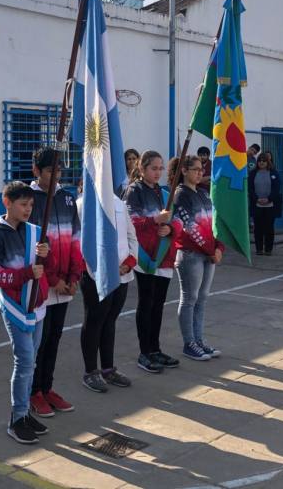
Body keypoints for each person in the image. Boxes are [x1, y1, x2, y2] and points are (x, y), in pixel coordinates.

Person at [0, 181, 55, 444]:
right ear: (7, 203)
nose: (28, 209)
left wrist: (46, 254)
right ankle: (17, 418)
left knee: (31, 361)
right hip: (15, 307)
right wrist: (25, 274)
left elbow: (48, 267)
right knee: (24, 361)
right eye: (23, 204)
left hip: (36, 306)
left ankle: (24, 413)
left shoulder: (35, 232)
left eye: (31, 205)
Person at [28, 147, 83, 417]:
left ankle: (47, 387)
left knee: (55, 338)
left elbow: (75, 240)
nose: (56, 175)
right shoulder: (29, 200)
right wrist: (52, 280)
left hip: (65, 284)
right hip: (42, 286)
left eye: (59, 170)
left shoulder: (67, 198)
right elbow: (31, 246)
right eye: (50, 170)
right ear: (36, 170)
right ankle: (33, 391)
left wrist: (74, 276)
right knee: (40, 340)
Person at [124, 150, 182, 373]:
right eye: (153, 168)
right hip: (145, 255)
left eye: (160, 168)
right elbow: (131, 221)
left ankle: (155, 349)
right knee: (146, 303)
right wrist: (155, 220)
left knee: (159, 304)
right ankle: (144, 352)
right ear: (142, 168)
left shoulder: (165, 192)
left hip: (164, 254)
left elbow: (178, 220)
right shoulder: (134, 191)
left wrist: (170, 229)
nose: (158, 172)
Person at [78, 192, 138, 392]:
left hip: (122, 273)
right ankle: (90, 371)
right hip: (95, 275)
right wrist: (101, 268)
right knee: (94, 321)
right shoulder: (83, 204)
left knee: (110, 320)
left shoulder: (118, 202)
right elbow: (80, 242)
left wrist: (129, 263)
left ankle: (107, 369)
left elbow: (131, 236)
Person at [173, 155, 225, 361]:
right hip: (191, 254)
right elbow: (190, 227)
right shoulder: (180, 195)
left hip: (208, 254)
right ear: (184, 171)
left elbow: (215, 224)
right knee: (189, 298)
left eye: (201, 169)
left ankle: (199, 339)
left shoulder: (203, 194)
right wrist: (210, 250)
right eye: (195, 169)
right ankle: (189, 343)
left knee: (202, 298)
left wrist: (219, 247)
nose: (200, 173)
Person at [248, 153, 282, 256]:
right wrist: (257, 199)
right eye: (260, 160)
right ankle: (259, 249)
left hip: (270, 205)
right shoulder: (253, 173)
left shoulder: (274, 173)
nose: (261, 162)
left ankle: (268, 249)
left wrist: (269, 199)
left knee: (269, 228)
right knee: (258, 228)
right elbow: (250, 188)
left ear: (268, 162)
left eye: (264, 161)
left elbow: (276, 188)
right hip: (257, 204)